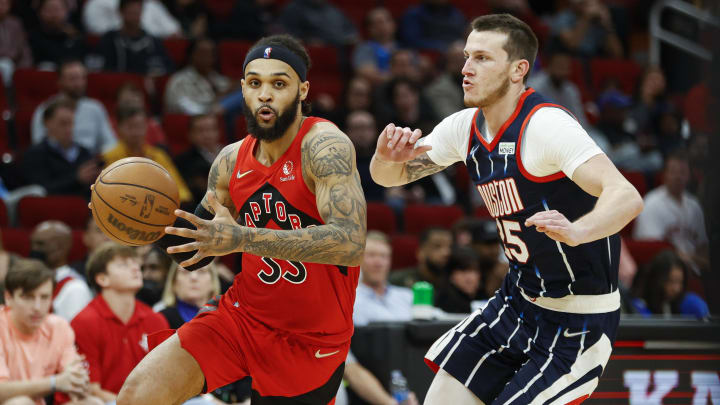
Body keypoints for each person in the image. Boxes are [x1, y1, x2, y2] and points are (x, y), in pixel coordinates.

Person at [370, 14, 643, 404]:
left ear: (518, 70)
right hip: (515, 303)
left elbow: (626, 195)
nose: (465, 68)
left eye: (482, 58)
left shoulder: (547, 126)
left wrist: (579, 230)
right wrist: (384, 157)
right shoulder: (464, 127)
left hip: (577, 318)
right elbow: (389, 178)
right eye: (466, 56)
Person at [114, 34, 367, 405]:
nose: (265, 93)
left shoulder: (325, 146)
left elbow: (350, 243)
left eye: (278, 83)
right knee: (137, 396)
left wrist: (241, 239)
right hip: (241, 317)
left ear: (302, 90)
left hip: (311, 339)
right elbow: (191, 254)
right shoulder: (230, 160)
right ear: (243, 90)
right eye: (255, 83)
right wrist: (144, 222)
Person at [71, 242, 169, 403]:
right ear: (102, 279)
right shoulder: (84, 322)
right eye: (123, 265)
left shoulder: (155, 320)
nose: (135, 268)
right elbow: (91, 390)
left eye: (135, 263)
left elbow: (165, 379)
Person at [0, 260, 100, 405]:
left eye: (45, 297)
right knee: (20, 402)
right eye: (28, 297)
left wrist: (78, 379)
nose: (37, 307)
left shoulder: (59, 326)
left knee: (92, 403)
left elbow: (74, 379)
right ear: (8, 297)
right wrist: (55, 382)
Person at [633, 150, 709, 274]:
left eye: (682, 172)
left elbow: (703, 248)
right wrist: (693, 259)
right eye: (673, 172)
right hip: (664, 274)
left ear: (689, 176)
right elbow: (653, 251)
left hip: (695, 272)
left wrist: (696, 260)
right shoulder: (651, 203)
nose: (678, 177)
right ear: (665, 174)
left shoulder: (694, 205)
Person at [102, 106, 193, 204]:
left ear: (146, 127)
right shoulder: (109, 157)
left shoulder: (158, 155)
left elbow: (180, 191)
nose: (135, 133)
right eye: (130, 127)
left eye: (139, 126)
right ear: (118, 128)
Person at [31, 60, 117, 155]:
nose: (78, 84)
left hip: (91, 162)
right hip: (57, 163)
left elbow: (110, 143)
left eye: (82, 78)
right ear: (60, 81)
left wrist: (101, 160)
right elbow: (38, 144)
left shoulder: (95, 108)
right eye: (72, 79)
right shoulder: (45, 109)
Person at [22, 100, 100, 198]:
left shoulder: (84, 152)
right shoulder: (35, 155)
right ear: (47, 123)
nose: (68, 129)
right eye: (63, 124)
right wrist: (76, 179)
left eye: (71, 123)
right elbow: (39, 191)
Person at [30, 220, 93, 322]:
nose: (34, 249)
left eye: (40, 244)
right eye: (32, 244)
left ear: (61, 247)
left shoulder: (75, 288)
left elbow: (73, 333)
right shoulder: (27, 279)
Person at [95, 0, 174, 75]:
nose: (134, 17)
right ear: (121, 12)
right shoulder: (109, 40)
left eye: (137, 13)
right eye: (130, 13)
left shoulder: (153, 42)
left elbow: (167, 68)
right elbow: (102, 70)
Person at [353, 231, 412, 326]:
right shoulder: (351, 301)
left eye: (384, 256)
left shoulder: (407, 296)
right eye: (371, 255)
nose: (378, 263)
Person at [631, 250, 709, 319]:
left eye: (680, 282)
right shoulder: (639, 305)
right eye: (670, 281)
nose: (676, 288)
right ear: (656, 279)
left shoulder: (687, 302)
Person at [174, 114, 224, 204]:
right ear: (190, 134)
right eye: (200, 131)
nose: (207, 135)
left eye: (211, 129)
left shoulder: (232, 152)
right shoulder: (184, 161)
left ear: (218, 131)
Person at [155, 262, 221, 329]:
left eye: (201, 271)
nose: (193, 277)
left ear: (213, 281)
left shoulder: (224, 318)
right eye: (185, 271)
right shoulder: (161, 319)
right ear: (174, 282)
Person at [28, 0, 86, 71]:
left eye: (57, 9)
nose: (54, 14)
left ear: (67, 12)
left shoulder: (75, 35)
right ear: (39, 13)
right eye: (49, 10)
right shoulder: (33, 36)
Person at [83, 0, 180, 38]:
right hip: (114, 48)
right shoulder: (98, 3)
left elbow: (174, 31)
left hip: (150, 48)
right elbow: (96, 31)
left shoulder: (152, 5)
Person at [352, 7, 397, 86]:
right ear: (370, 29)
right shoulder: (364, 48)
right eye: (378, 23)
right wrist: (398, 76)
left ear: (393, 24)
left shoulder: (403, 47)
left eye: (386, 21)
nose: (382, 25)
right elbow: (368, 74)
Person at [435, 247, 484, 314]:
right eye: (463, 271)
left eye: (474, 270)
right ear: (451, 275)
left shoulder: (484, 297)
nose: (469, 278)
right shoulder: (444, 301)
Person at [0, 0, 32, 85]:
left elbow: (23, 47)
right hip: (3, 63)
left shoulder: (16, 23)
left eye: (4, 4)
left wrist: (26, 65)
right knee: (4, 64)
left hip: (16, 62)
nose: (1, 7)